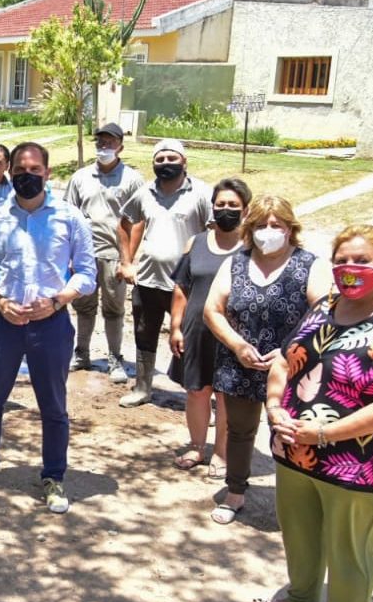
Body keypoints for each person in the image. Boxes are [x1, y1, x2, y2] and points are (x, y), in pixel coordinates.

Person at [240, 225, 373, 602]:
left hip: (364, 465)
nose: (350, 269)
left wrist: (326, 434)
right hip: (297, 450)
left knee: (349, 552)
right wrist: (275, 407)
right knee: (299, 534)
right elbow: (284, 360)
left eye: (362, 261)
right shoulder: (325, 306)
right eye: (342, 260)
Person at [0, 142, 96, 513]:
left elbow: (87, 273)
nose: (27, 176)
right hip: (2, 324)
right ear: (11, 172)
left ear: (47, 173)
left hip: (50, 325)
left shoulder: (69, 218)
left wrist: (57, 301)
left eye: (34, 170)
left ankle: (54, 476)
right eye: (20, 170)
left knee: (53, 405)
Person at [203, 195, 326, 524]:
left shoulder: (309, 264)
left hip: (291, 368)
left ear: (290, 229)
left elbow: (324, 311)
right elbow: (212, 310)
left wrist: (288, 351)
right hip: (239, 363)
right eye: (260, 225)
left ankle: (298, 501)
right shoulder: (236, 262)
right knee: (239, 430)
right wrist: (237, 344)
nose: (267, 232)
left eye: (276, 225)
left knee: (289, 432)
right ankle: (235, 492)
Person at [117, 139, 213, 407]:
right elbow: (124, 224)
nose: (166, 164)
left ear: (184, 161)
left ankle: (197, 396)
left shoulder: (202, 193)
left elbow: (216, 234)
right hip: (148, 279)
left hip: (187, 285)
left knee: (192, 338)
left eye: (172, 159)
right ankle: (143, 388)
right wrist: (126, 262)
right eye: (160, 160)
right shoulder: (145, 192)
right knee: (143, 333)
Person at [168, 178, 250, 476]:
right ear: (212, 207)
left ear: (245, 210)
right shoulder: (197, 242)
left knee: (226, 396)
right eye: (221, 204)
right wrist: (175, 327)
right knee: (196, 391)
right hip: (196, 330)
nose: (225, 209)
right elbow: (181, 288)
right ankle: (196, 446)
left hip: (233, 334)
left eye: (233, 205)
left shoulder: (253, 249)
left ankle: (222, 453)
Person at [63, 123, 145, 383]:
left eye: (110, 142)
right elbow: (68, 217)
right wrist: (70, 256)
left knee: (114, 309)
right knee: (83, 306)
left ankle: (114, 357)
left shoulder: (132, 179)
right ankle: (82, 353)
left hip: (114, 255)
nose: (104, 146)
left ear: (120, 145)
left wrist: (127, 260)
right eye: (100, 142)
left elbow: (138, 221)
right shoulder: (81, 177)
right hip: (85, 255)